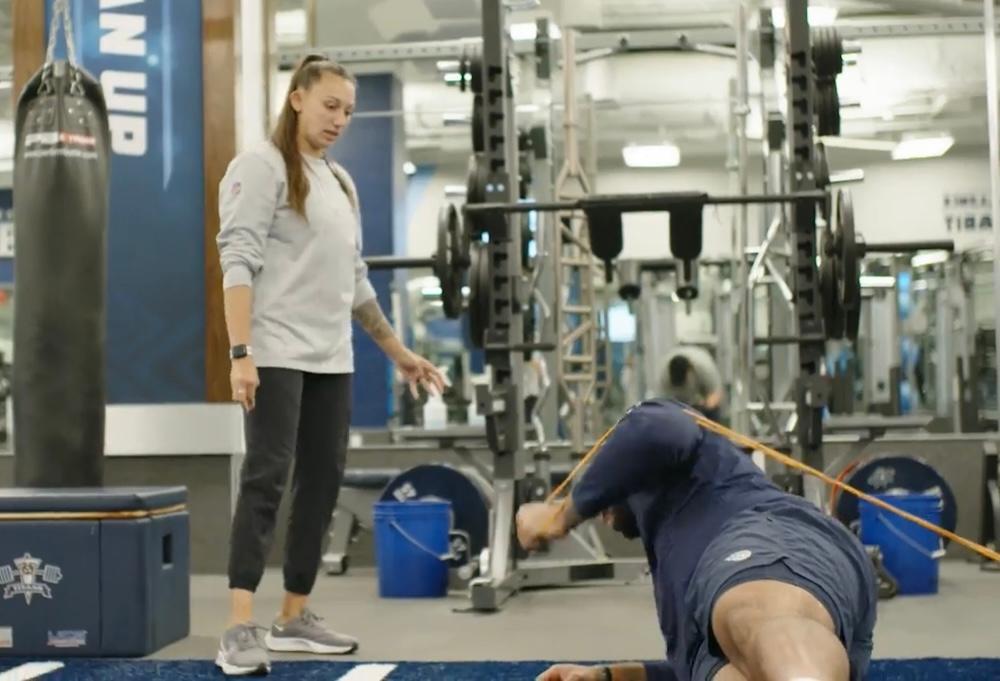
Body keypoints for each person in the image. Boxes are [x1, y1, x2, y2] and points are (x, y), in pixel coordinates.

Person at [214, 55, 445, 676]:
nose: (340, 119)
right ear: (297, 99)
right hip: (275, 351)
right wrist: (242, 353)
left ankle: (293, 616)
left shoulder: (340, 182)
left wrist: (398, 353)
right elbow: (236, 259)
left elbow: (356, 281)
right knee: (267, 479)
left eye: (347, 110)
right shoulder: (259, 166)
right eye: (330, 106)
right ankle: (239, 625)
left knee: (321, 486)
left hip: (331, 358)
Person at [516, 399, 877, 681]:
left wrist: (561, 515)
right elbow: (721, 663)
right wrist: (608, 675)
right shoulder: (677, 577)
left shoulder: (662, 430)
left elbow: (660, 427)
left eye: (606, 493)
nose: (604, 513)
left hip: (773, 540)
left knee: (749, 612)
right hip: (814, 614)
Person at [658, 346, 724, 421]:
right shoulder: (664, 374)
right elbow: (663, 403)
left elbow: (715, 393)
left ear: (690, 370)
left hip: (700, 404)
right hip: (678, 405)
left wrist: (703, 410)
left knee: (712, 412)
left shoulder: (704, 366)